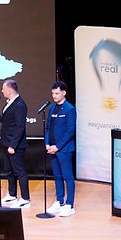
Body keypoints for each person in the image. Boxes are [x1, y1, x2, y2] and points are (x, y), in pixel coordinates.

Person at [0, 78, 31, 208]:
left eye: (3, 89)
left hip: (15, 145)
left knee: (19, 171)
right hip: (6, 142)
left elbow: (20, 127)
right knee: (9, 170)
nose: (2, 91)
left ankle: (25, 199)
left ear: (9, 91)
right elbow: (6, 119)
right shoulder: (9, 102)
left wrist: (13, 145)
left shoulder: (20, 105)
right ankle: (12, 195)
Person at [44, 80, 77, 217]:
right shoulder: (52, 108)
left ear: (64, 93)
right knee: (57, 176)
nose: (54, 96)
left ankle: (69, 205)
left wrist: (57, 147)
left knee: (67, 176)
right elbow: (48, 127)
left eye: (57, 93)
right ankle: (59, 201)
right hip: (51, 148)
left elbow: (70, 131)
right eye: (53, 93)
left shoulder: (70, 109)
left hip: (64, 149)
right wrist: (47, 143)